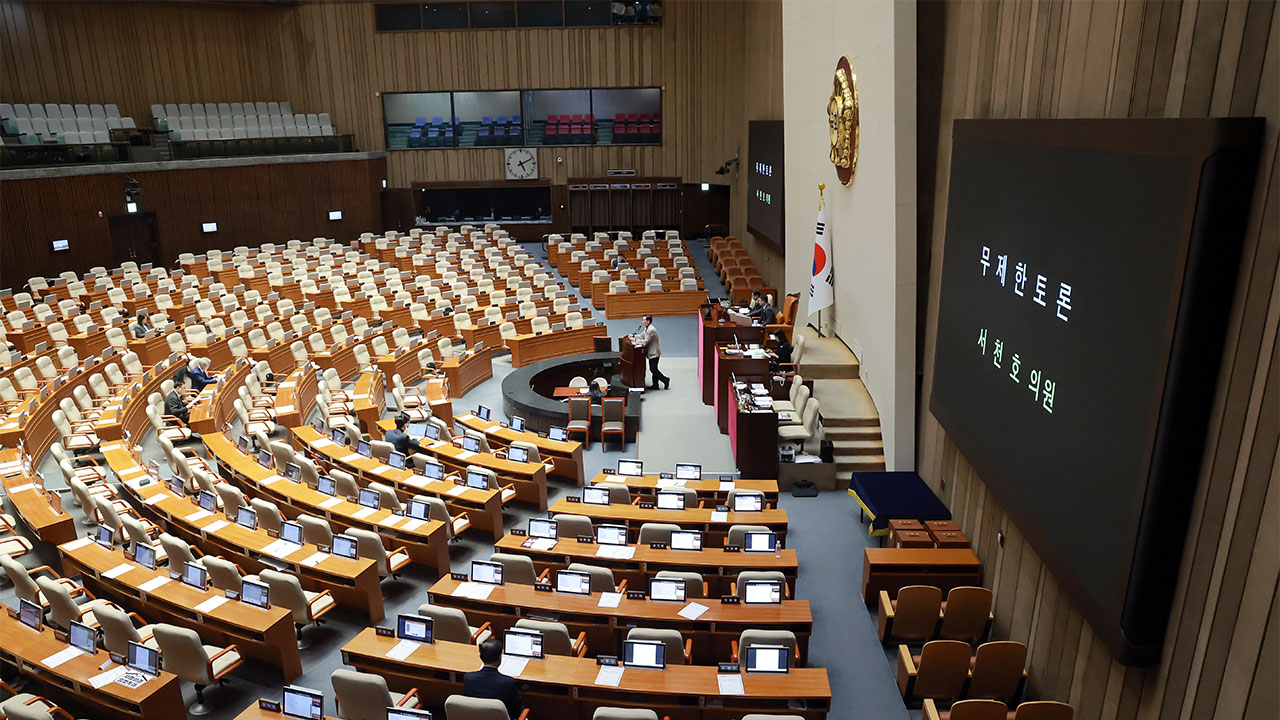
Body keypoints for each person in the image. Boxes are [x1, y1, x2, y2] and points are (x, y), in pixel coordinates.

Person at [462, 638, 522, 719]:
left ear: (480, 656)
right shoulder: (508, 682)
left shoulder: (468, 678)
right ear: (500, 658)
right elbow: (518, 709)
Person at [632, 314, 669, 390]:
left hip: (654, 353)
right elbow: (642, 335)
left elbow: (645, 342)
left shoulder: (651, 330)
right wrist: (634, 336)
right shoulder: (647, 328)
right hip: (652, 352)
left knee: (653, 369)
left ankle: (665, 380)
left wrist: (634, 340)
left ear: (648, 321)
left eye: (643, 320)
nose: (642, 322)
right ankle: (655, 385)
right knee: (654, 369)